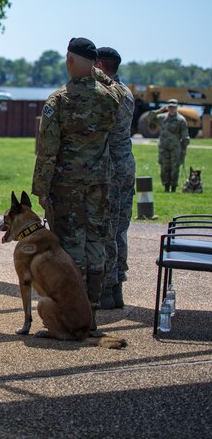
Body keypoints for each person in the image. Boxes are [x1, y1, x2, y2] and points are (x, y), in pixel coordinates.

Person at [32, 37, 120, 332]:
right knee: (96, 244)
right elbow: (112, 83)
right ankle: (91, 311)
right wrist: (93, 69)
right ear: (94, 64)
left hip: (66, 187)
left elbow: (47, 151)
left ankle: (72, 311)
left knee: (69, 250)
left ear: (69, 60)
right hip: (98, 186)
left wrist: (41, 190)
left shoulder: (58, 101)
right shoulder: (111, 96)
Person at [94, 47, 135, 309]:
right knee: (120, 229)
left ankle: (107, 290)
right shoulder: (127, 92)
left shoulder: (107, 93)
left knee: (106, 229)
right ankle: (117, 285)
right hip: (125, 165)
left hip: (109, 167)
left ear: (98, 64)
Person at [154, 99, 189, 193]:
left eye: (173, 107)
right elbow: (149, 118)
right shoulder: (162, 117)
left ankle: (173, 188)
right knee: (164, 168)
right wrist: (159, 110)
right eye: (170, 107)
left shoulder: (181, 120)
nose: (171, 109)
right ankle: (166, 187)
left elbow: (185, 136)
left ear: (176, 108)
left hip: (176, 148)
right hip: (163, 147)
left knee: (174, 168)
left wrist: (184, 149)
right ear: (167, 108)